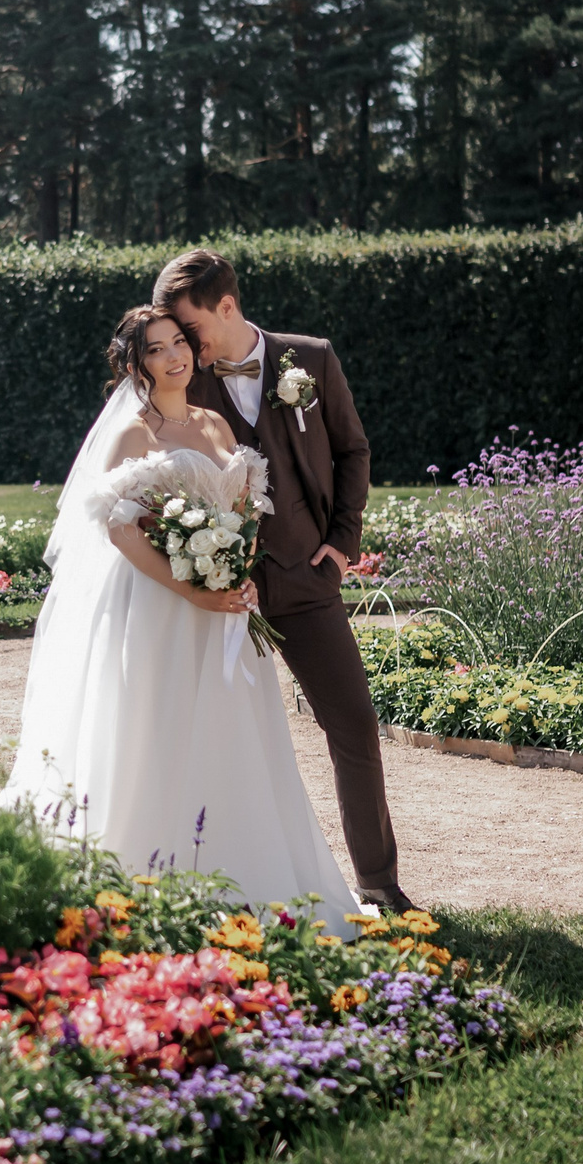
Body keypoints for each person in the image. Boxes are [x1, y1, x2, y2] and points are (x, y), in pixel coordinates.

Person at [0, 306, 360, 916]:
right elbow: (119, 527)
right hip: (159, 606)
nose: (174, 357)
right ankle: (144, 880)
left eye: (178, 344)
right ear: (137, 364)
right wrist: (191, 589)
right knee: (156, 730)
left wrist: (238, 571)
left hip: (225, 608)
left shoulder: (214, 422)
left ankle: (242, 873)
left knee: (229, 731)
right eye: (157, 349)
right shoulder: (133, 433)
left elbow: (242, 508)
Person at [157, 248, 415, 911]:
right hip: (219, 597)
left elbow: (353, 449)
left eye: (191, 330)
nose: (184, 349)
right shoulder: (184, 383)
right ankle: (208, 889)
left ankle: (379, 884)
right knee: (210, 742)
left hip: (306, 582)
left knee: (353, 724)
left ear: (227, 307)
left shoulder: (313, 360)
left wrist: (341, 542)